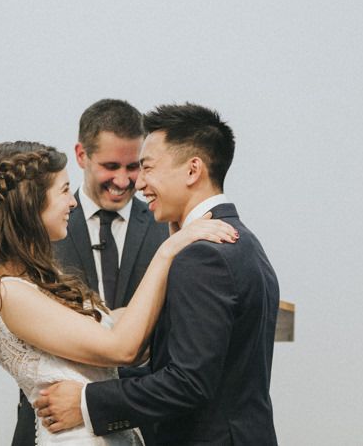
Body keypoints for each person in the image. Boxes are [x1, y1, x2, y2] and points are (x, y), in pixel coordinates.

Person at [0, 140, 238, 445]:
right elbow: (121, 348)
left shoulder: (36, 281)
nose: (72, 203)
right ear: (31, 203)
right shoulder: (9, 293)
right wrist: (167, 252)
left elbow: (118, 327)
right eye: (63, 191)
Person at [34, 104, 280, 446]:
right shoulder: (241, 240)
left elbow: (189, 382)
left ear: (193, 170)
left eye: (146, 167)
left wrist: (87, 401)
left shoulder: (203, 254)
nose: (139, 183)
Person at [13, 100, 168, 446]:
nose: (123, 180)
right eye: (110, 166)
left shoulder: (165, 228)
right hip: (50, 424)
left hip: (145, 427)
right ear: (82, 155)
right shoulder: (39, 231)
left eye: (134, 166)